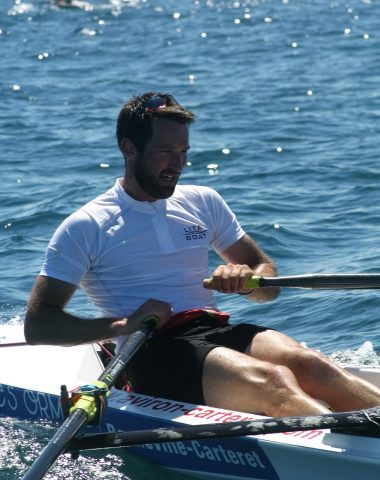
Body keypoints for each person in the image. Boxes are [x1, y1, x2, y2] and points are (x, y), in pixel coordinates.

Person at [24, 92, 380, 418]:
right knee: (273, 381)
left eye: (184, 153)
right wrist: (122, 325)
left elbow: (268, 284)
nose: (178, 164)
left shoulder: (203, 201)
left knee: (312, 364)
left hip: (212, 329)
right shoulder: (86, 225)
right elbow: (38, 325)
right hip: (150, 350)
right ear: (129, 149)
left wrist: (247, 282)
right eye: (166, 152)